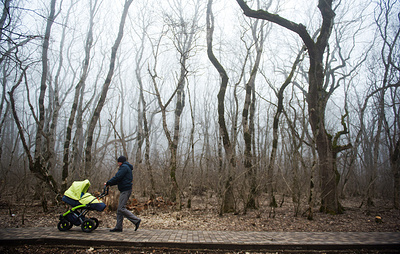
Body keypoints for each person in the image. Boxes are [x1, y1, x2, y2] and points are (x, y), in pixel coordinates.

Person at [105, 156, 141, 232]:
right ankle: (118, 227)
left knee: (121, 208)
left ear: (120, 162)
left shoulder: (124, 167)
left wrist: (108, 183)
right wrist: (110, 184)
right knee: (119, 209)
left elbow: (117, 177)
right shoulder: (126, 167)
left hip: (126, 190)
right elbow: (119, 179)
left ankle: (136, 220)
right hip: (125, 189)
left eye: (118, 162)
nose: (118, 164)